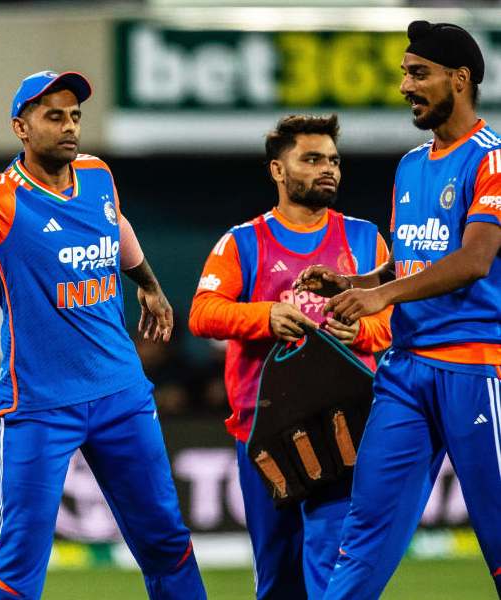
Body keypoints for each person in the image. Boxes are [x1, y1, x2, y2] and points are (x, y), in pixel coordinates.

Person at [0, 67, 206, 599]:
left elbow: (116, 224)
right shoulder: (1, 200)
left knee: (166, 541)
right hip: (41, 406)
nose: (69, 126)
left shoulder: (98, 174)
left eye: (75, 116)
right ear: (21, 127)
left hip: (122, 394)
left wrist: (149, 284)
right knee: (18, 559)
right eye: (54, 116)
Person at [295, 22, 501, 599]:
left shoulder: (492, 160)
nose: (405, 86)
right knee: (365, 532)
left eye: (419, 73)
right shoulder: (411, 164)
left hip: (474, 368)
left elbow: (474, 260)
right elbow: (411, 262)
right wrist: (355, 283)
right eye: (405, 73)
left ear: (459, 80)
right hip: (405, 370)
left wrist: (380, 298)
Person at [188, 114, 394, 599]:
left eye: (334, 161)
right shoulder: (243, 241)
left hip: (346, 429)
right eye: (313, 159)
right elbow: (202, 313)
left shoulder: (365, 238)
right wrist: (266, 316)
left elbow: (393, 321)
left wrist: (362, 330)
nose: (328, 169)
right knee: (278, 576)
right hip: (265, 434)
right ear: (278, 170)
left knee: (334, 568)